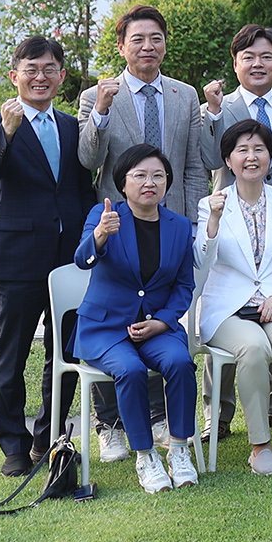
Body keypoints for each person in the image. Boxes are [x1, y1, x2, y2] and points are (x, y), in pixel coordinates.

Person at [76, 2, 216, 460]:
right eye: (137, 39)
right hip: (119, 225)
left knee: (161, 320)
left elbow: (194, 163)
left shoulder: (184, 94)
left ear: (165, 44)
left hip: (170, 226)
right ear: (121, 46)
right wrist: (99, 111)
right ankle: (108, 423)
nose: (147, 47)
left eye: (155, 38)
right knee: (116, 313)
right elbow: (88, 161)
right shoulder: (98, 95)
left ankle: (159, 421)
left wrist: (192, 223)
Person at [0, 35, 95, 476]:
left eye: (49, 69)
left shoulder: (71, 126)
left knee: (64, 354)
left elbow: (82, 189)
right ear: (15, 76)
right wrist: (6, 132)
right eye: (31, 70)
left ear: (61, 76)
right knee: (13, 354)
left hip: (67, 261)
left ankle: (50, 436)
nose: (40, 77)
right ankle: (13, 446)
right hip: (18, 260)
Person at [72, 143, 200, 494]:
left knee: (180, 362)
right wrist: (100, 235)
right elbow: (82, 261)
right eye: (140, 175)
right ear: (123, 183)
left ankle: (178, 449)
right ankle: (145, 455)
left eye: (158, 175)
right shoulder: (104, 215)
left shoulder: (179, 226)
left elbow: (184, 285)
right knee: (129, 369)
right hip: (106, 328)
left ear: (167, 183)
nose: (150, 182)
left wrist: (162, 322)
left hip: (157, 326)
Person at [194, 118, 272, 474]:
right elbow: (201, 263)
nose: (251, 157)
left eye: (259, 149)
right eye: (242, 150)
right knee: (254, 348)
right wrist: (214, 221)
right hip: (229, 308)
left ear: (270, 157)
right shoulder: (210, 205)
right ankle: (260, 445)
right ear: (228, 160)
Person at [204, 24, 272, 209]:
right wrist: (214, 113)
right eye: (248, 57)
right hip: (232, 220)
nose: (258, 64)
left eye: (266, 57)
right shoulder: (214, 111)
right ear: (235, 64)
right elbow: (212, 161)